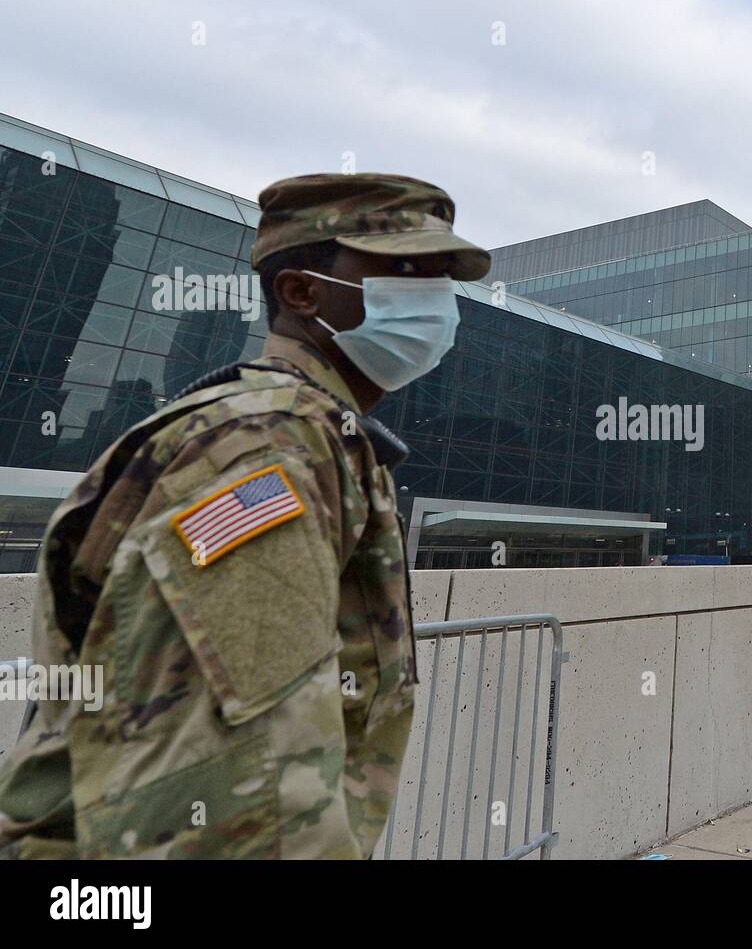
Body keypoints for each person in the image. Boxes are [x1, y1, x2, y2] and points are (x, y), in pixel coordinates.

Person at [0, 173, 490, 858]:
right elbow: (248, 797)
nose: (437, 301)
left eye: (441, 279)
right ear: (300, 293)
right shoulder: (267, 447)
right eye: (406, 272)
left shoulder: (316, 436)